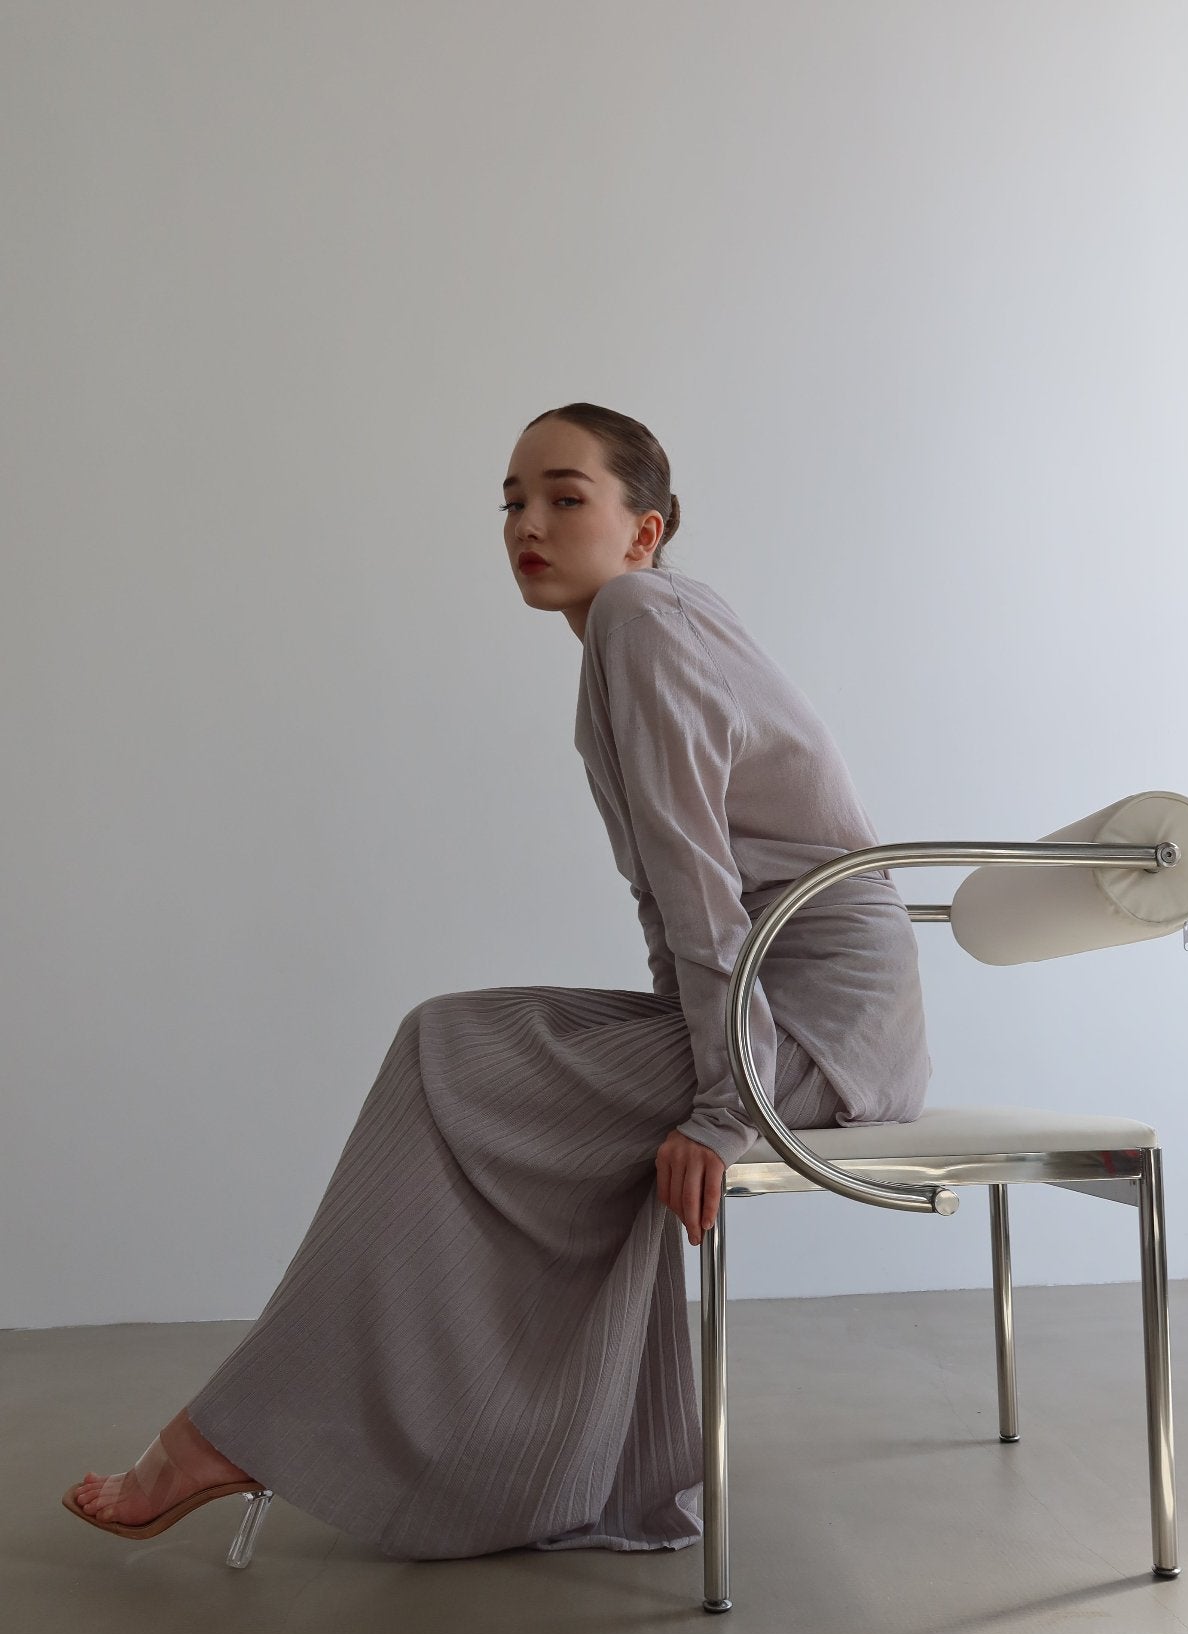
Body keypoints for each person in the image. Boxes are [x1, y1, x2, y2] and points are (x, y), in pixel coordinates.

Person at [63, 402, 931, 1558]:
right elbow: (672, 905)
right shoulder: (641, 627)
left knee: (448, 1050)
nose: (528, 522)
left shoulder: (640, 621)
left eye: (566, 496)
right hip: (785, 1013)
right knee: (474, 1061)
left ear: (643, 530)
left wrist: (726, 1110)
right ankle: (553, 1461)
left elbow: (698, 892)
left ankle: (234, 1434)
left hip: (810, 1035)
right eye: (513, 501)